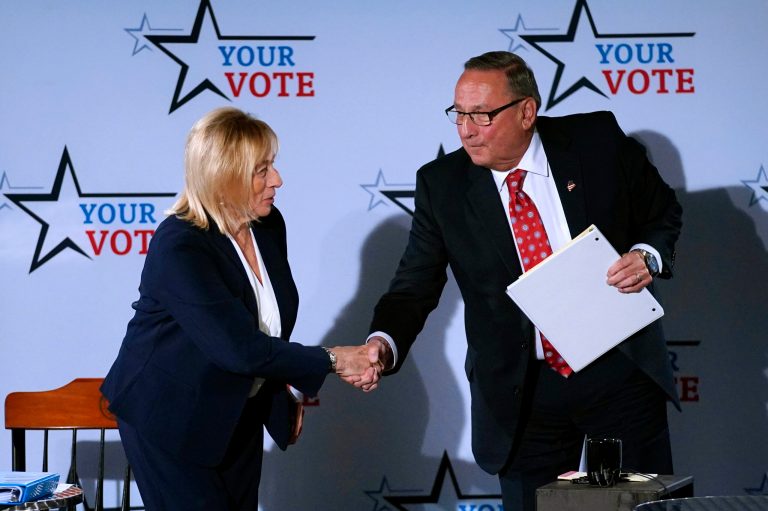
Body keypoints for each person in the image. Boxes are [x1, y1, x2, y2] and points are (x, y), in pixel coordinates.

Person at [359, 51, 682, 510]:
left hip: (617, 371)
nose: (466, 129)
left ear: (527, 111)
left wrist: (647, 256)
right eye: (458, 115)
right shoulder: (442, 184)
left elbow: (662, 212)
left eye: (481, 115)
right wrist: (384, 341)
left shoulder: (595, 142)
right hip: (523, 391)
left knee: (639, 507)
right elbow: (415, 283)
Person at [101, 107, 379, 510]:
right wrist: (335, 360)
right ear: (222, 176)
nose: (278, 180)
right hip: (170, 417)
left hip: (235, 411)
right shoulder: (180, 245)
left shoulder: (267, 225)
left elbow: (262, 328)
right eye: (261, 170)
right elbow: (236, 347)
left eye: (273, 166)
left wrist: (277, 391)